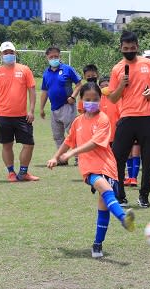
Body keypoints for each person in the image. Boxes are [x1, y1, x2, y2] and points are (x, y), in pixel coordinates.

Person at [46, 82, 136, 258]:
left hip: (107, 166)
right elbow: (68, 141)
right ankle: (123, 218)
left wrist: (72, 153)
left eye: (95, 99)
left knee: (103, 207)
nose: (91, 102)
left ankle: (97, 245)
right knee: (106, 189)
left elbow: (94, 143)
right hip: (89, 169)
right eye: (88, 99)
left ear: (101, 100)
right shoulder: (78, 121)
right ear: (81, 100)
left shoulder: (103, 119)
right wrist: (55, 157)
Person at [108, 31, 150, 208]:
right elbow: (113, 99)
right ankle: (120, 195)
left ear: (137, 47)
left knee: (148, 160)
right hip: (127, 118)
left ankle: (144, 196)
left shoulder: (149, 64)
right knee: (117, 158)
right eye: (126, 48)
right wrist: (122, 85)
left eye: (132, 48)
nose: (129, 51)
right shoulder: (117, 69)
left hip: (148, 118)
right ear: (121, 48)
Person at [0, 41, 38, 182]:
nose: (9, 55)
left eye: (11, 52)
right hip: (3, 116)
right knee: (7, 145)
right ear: (1, 55)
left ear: (15, 53)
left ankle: (23, 173)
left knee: (29, 144)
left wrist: (32, 110)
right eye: (5, 52)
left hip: (23, 116)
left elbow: (32, 91)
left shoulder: (25, 70)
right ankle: (11, 173)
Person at [39, 47, 82, 164]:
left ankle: (79, 157)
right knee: (57, 135)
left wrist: (73, 97)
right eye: (51, 57)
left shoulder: (67, 69)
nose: (54, 59)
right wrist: (41, 108)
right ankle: (62, 158)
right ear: (47, 58)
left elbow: (79, 84)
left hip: (67, 106)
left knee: (72, 133)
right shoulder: (46, 73)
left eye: (56, 56)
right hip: (54, 108)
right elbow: (45, 91)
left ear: (60, 56)